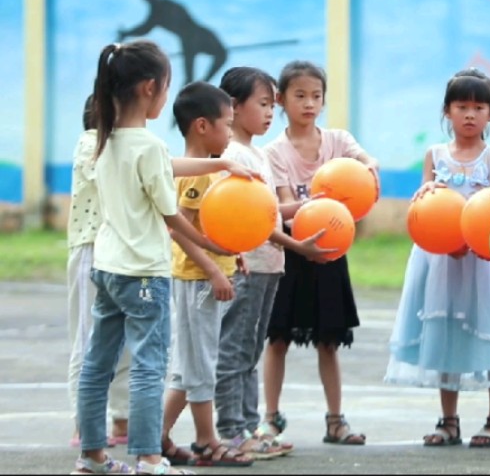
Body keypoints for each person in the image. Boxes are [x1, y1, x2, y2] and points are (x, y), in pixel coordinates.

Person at [71, 40, 251, 475]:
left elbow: (165, 164)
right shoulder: (146, 146)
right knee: (150, 367)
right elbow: (172, 218)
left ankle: (92, 456)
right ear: (150, 88)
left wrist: (220, 166)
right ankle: (150, 457)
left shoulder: (102, 140)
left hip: (108, 269)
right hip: (145, 275)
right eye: (166, 88)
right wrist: (214, 246)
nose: (167, 97)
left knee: (99, 364)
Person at [384, 67, 490, 449]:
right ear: (447, 111)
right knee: (445, 329)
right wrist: (434, 205)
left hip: (482, 264)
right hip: (441, 261)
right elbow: (424, 206)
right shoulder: (434, 155)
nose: (470, 114)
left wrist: (481, 243)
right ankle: (448, 419)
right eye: (461, 106)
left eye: (479, 107)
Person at [213, 66, 333, 459]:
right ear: (233, 106)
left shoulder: (256, 154)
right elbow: (252, 221)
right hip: (246, 267)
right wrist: (299, 246)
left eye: (271, 105)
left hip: (268, 266)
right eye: (263, 104)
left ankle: (247, 428)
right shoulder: (232, 156)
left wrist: (307, 214)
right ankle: (231, 431)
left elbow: (268, 216)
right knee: (235, 351)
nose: (270, 113)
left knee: (249, 351)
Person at [260, 60, 380, 447]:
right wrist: (320, 202)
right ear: (280, 100)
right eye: (300, 95)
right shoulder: (274, 152)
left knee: (329, 340)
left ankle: (335, 420)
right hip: (292, 252)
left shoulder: (339, 142)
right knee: (277, 338)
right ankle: (271, 418)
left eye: (316, 96)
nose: (309, 103)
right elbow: (282, 206)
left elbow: (367, 163)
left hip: (330, 251)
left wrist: (368, 172)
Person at [157, 82, 254, 468]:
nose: (231, 133)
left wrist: (236, 255)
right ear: (201, 126)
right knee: (201, 365)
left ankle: (156, 436)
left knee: (187, 366)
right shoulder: (194, 176)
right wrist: (215, 269)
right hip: (196, 280)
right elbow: (179, 230)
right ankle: (206, 441)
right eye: (227, 125)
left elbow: (215, 226)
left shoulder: (208, 172)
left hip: (206, 276)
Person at [67, 94, 130, 450]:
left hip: (123, 249)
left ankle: (122, 418)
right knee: (89, 339)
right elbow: (116, 176)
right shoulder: (89, 144)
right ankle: (84, 422)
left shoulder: (131, 146)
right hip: (92, 247)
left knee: (127, 341)